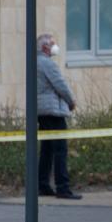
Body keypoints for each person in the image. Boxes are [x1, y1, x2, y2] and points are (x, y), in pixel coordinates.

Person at [35, 33, 81, 200]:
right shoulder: (47, 63)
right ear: (45, 47)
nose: (55, 46)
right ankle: (63, 187)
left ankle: (43, 185)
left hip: (41, 112)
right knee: (60, 150)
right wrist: (71, 101)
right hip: (53, 111)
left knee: (47, 149)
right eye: (52, 43)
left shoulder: (35, 63)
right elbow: (60, 84)